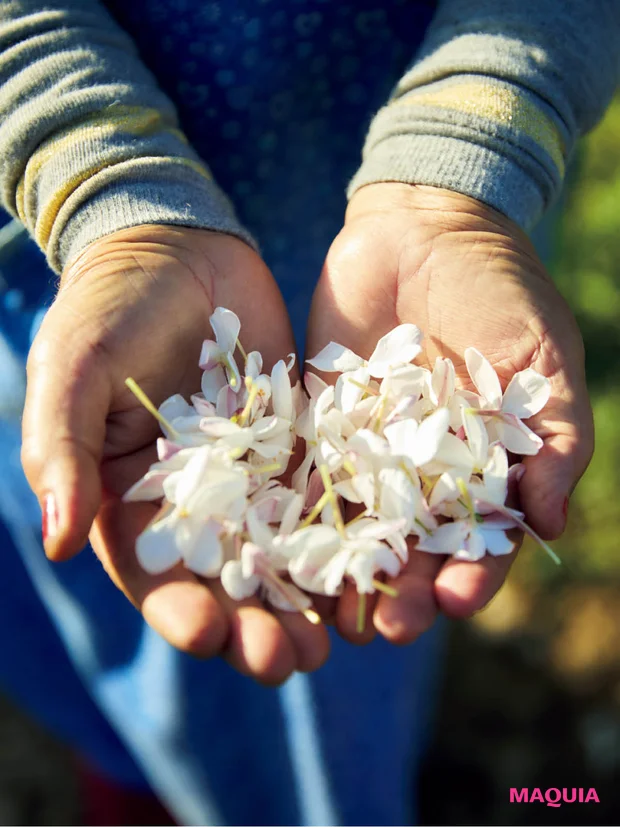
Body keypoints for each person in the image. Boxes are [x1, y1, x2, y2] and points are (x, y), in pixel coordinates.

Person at [0, 0, 616, 824]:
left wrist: (469, 151)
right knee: (80, 561)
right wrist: (90, 170)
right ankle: (132, 767)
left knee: (317, 683)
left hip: (404, 163)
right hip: (88, 242)